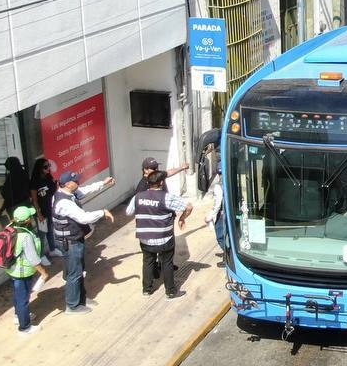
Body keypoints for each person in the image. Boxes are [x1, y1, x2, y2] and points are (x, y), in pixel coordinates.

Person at [52, 171, 116, 314]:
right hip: (70, 242)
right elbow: (83, 218)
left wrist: (103, 183)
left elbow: (85, 190)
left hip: (75, 239)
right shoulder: (64, 202)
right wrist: (102, 212)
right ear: (68, 184)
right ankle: (73, 305)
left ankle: (81, 298)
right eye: (76, 181)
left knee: (79, 271)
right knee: (74, 273)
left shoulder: (69, 193)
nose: (79, 183)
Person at [126, 171, 193, 299]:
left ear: (148, 183)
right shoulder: (166, 197)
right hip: (164, 238)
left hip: (145, 239)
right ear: (161, 183)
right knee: (167, 263)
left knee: (148, 262)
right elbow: (188, 207)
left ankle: (147, 289)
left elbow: (129, 212)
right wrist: (182, 218)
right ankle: (171, 292)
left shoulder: (138, 197)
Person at [6, 206, 50, 335]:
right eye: (30, 217)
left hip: (12, 270)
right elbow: (33, 258)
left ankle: (17, 316)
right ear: (27, 220)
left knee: (18, 295)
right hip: (22, 272)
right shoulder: (25, 236)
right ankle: (24, 327)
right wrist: (43, 272)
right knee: (23, 299)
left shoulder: (10, 229)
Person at [198, 129, 228, 254]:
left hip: (222, 214)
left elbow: (218, 201)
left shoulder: (219, 186)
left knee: (221, 235)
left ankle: (227, 256)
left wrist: (211, 215)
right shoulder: (228, 182)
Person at [28, 158, 62, 258]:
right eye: (45, 167)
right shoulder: (34, 182)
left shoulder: (48, 177)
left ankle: (52, 249)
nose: (48, 168)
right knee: (42, 234)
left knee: (50, 230)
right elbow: (34, 200)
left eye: (49, 166)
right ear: (39, 168)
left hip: (49, 209)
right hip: (41, 211)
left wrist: (57, 186)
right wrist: (38, 214)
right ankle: (41, 255)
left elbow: (53, 192)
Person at [0, 157, 31, 222]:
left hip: (15, 204)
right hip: (24, 201)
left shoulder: (11, 177)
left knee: (16, 223)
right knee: (26, 222)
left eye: (7, 166)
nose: (6, 167)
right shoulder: (23, 173)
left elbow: (8, 194)